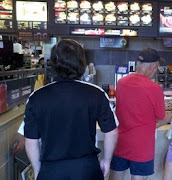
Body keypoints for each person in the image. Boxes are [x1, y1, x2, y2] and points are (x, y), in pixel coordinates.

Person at [23, 39, 118, 180]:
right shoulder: (96, 93)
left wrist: (38, 170)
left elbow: (31, 139)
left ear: (53, 64)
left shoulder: (37, 97)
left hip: (51, 169)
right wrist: (106, 160)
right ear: (82, 63)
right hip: (86, 168)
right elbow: (111, 131)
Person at [109, 48, 172, 180]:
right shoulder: (154, 88)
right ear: (153, 67)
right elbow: (160, 116)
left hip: (121, 141)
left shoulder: (121, 83)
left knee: (115, 176)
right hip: (142, 146)